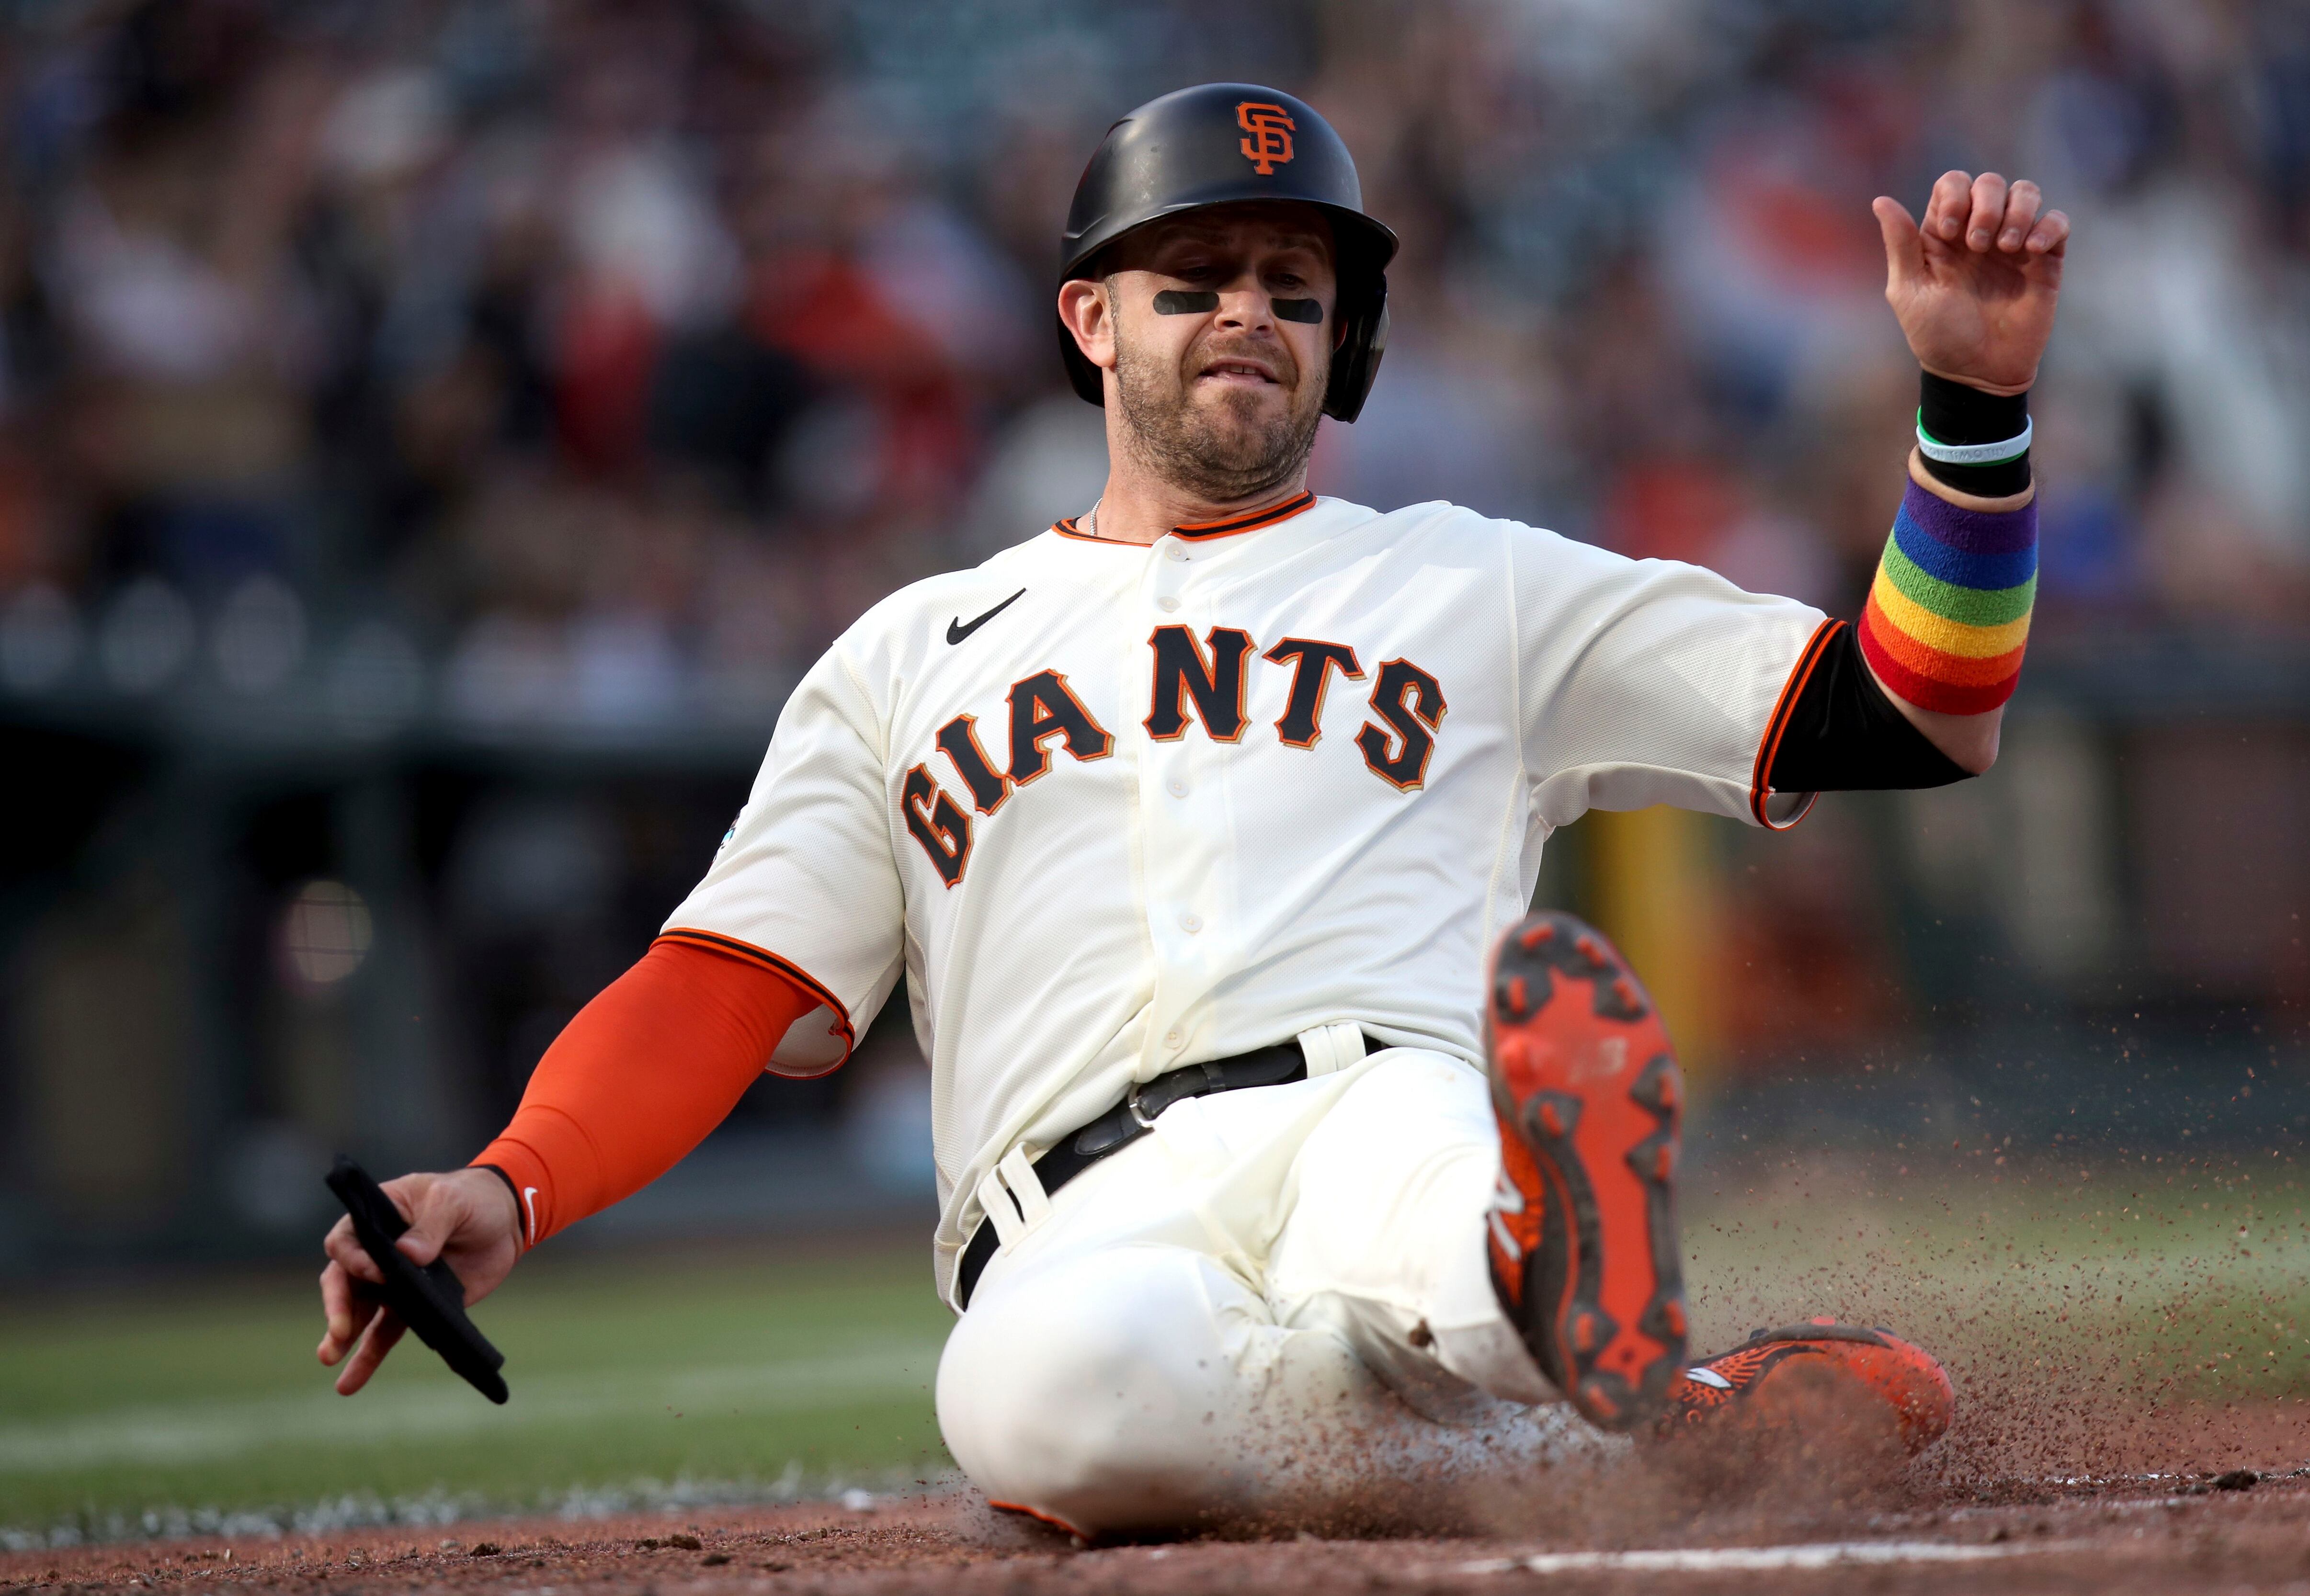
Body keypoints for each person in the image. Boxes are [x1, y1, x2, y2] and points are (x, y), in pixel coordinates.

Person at [318, 84, 2065, 1537]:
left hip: (1380, 1098)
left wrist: (1974, 410)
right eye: (1197, 277)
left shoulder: (1475, 582)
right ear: (1090, 320)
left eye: (1295, 288)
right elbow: (726, 980)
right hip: (1075, 1210)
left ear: (1340, 343)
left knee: (1447, 1223)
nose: (1251, 310)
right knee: (1046, 1401)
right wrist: (511, 1182)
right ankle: (1640, 1415)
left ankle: (1551, 1284)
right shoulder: (910, 651)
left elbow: (1908, 712)